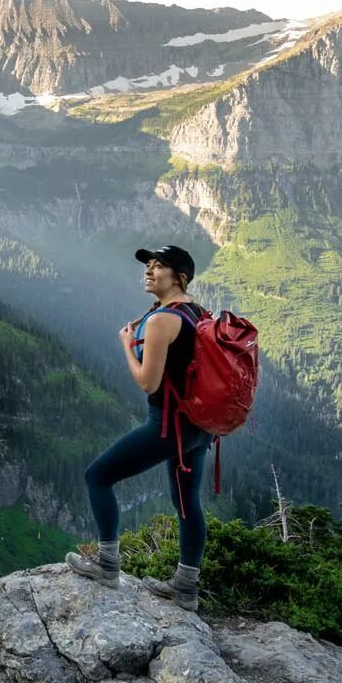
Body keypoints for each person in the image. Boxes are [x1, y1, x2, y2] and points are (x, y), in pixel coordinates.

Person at [66, 244, 212, 610]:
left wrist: (128, 346)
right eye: (148, 266)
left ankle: (106, 563)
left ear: (179, 276)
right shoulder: (195, 312)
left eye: (158, 266)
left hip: (166, 425)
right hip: (197, 426)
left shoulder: (163, 320)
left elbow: (149, 382)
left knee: (97, 475)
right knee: (186, 502)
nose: (149, 271)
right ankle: (185, 587)